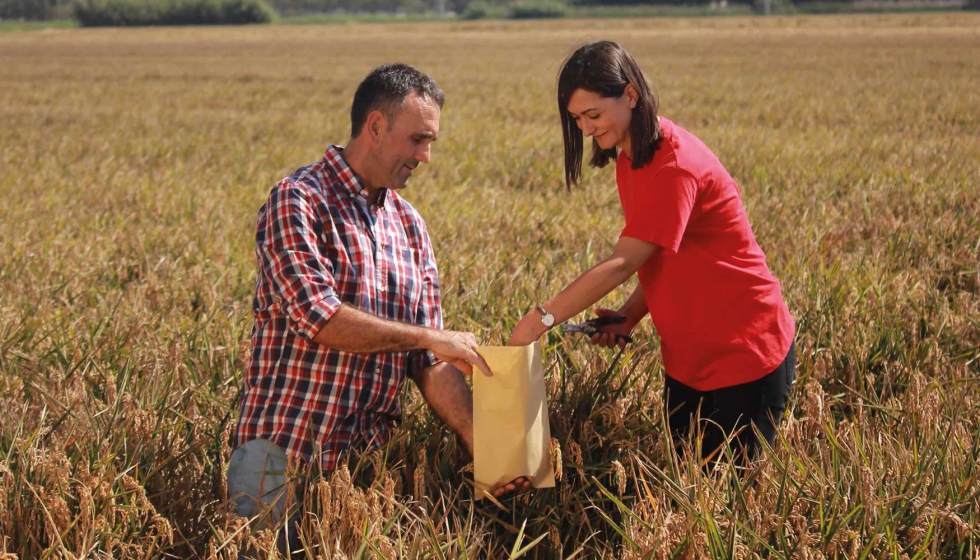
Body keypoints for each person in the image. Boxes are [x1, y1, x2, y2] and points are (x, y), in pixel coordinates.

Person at [229, 64, 528, 554]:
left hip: (362, 469)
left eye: (430, 142)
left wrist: (482, 440)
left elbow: (428, 363)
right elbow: (319, 318)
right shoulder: (298, 200)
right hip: (281, 455)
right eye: (417, 139)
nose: (425, 157)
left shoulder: (410, 226)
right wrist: (429, 338)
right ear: (374, 126)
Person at [508, 41, 796, 467]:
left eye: (593, 115)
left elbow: (623, 263)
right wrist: (630, 315)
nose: (585, 130)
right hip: (688, 358)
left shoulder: (674, 165)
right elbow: (659, 255)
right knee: (689, 482)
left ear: (630, 95)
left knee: (729, 501)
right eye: (576, 119)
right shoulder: (632, 157)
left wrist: (542, 318)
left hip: (744, 352)